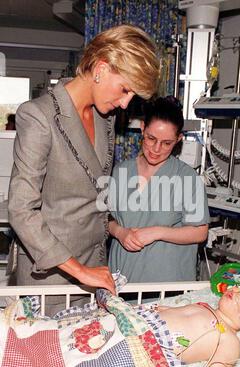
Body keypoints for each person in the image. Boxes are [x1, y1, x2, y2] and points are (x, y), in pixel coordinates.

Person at [7, 24, 160, 316]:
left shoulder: (106, 118)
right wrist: (79, 271)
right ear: (101, 68)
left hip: (95, 267)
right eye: (125, 89)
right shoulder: (39, 116)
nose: (126, 103)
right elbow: (21, 210)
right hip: (50, 273)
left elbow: (96, 192)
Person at [108, 96, 210, 283]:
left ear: (178, 139)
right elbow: (107, 219)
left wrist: (157, 232)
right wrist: (120, 233)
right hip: (121, 278)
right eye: (151, 138)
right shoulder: (121, 171)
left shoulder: (187, 178)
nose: (156, 149)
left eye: (166, 143)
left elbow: (200, 232)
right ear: (142, 128)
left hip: (165, 283)